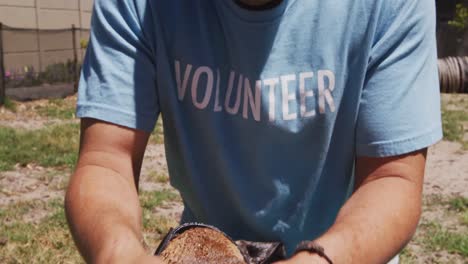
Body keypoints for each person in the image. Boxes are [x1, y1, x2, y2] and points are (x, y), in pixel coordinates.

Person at [65, 0, 442, 263]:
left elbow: (392, 178)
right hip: (206, 251)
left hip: (348, 252)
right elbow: (106, 161)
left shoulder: (390, 4)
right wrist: (119, 254)